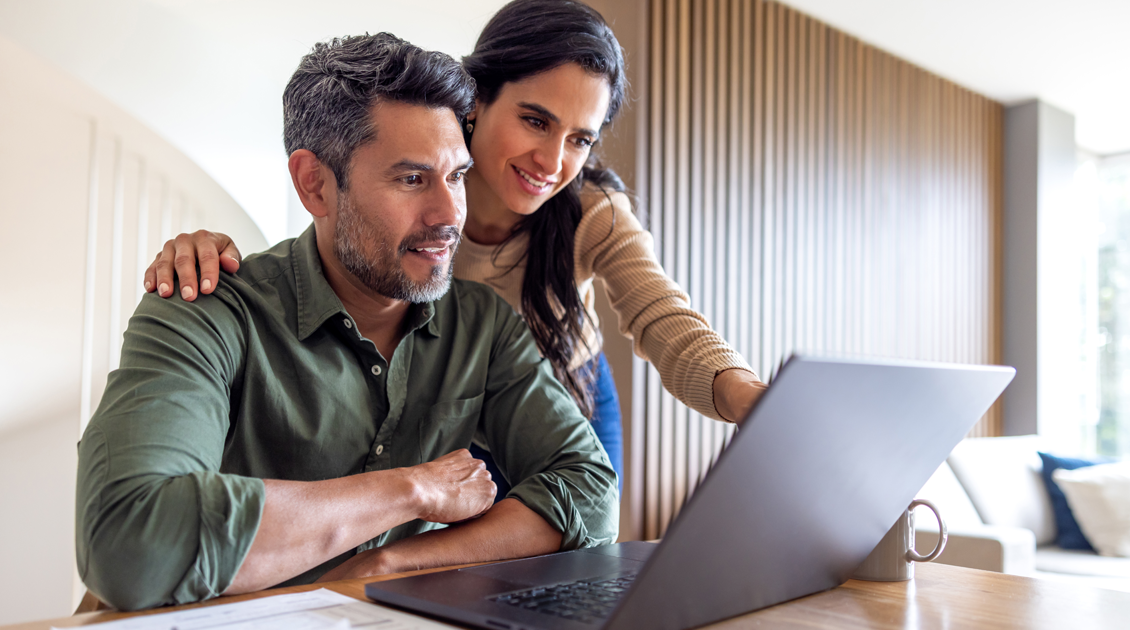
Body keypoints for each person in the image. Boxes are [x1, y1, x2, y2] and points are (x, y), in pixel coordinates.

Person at [76, 33, 617, 612]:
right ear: (315, 184)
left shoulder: (484, 326)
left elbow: (591, 494)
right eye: (411, 179)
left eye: (456, 176)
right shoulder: (203, 307)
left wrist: (387, 565)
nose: (449, 214)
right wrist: (411, 490)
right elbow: (130, 541)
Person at [143, 0, 767, 494]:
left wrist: (752, 400)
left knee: (575, 558)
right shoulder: (415, 200)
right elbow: (330, 249)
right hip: (447, 402)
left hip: (564, 387)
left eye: (580, 138)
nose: (552, 162)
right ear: (477, 99)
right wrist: (209, 251)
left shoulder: (590, 213)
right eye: (535, 120)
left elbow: (662, 314)